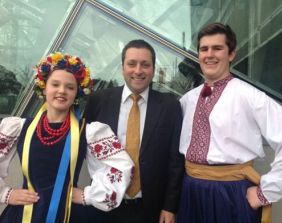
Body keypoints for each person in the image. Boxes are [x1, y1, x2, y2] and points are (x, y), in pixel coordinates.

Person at [176, 22, 282, 223]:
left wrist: (265, 192)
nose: (209, 54)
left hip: (231, 194)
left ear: (231, 54)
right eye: (204, 49)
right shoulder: (186, 100)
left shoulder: (250, 96)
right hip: (189, 191)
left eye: (217, 48)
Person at [0, 52, 133, 223]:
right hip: (24, 214)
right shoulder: (18, 128)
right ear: (44, 87)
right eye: (55, 84)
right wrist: (7, 194)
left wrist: (87, 195)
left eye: (70, 87)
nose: (62, 91)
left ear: (76, 93)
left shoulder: (89, 132)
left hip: (68, 214)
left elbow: (123, 166)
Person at [84, 39, 184, 223]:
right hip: (104, 206)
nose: (138, 71)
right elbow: (81, 148)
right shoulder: (99, 101)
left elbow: (175, 161)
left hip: (151, 210)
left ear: (153, 69)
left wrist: (170, 207)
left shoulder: (170, 107)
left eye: (145, 65)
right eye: (131, 64)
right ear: (122, 67)